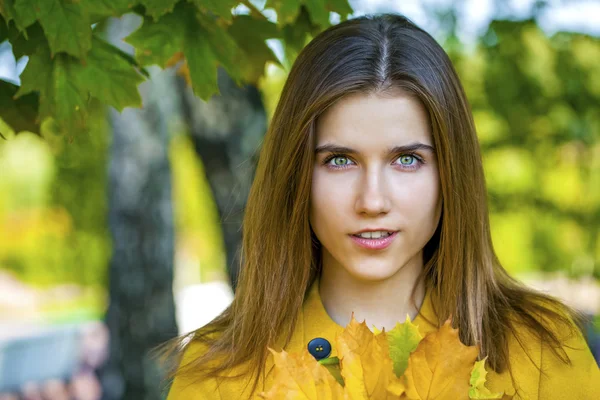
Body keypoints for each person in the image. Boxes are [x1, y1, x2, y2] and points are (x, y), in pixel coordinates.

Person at [162, 13, 600, 399]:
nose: (372, 201)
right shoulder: (221, 372)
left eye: (406, 159)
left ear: (451, 172)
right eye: (339, 160)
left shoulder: (542, 350)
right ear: (296, 177)